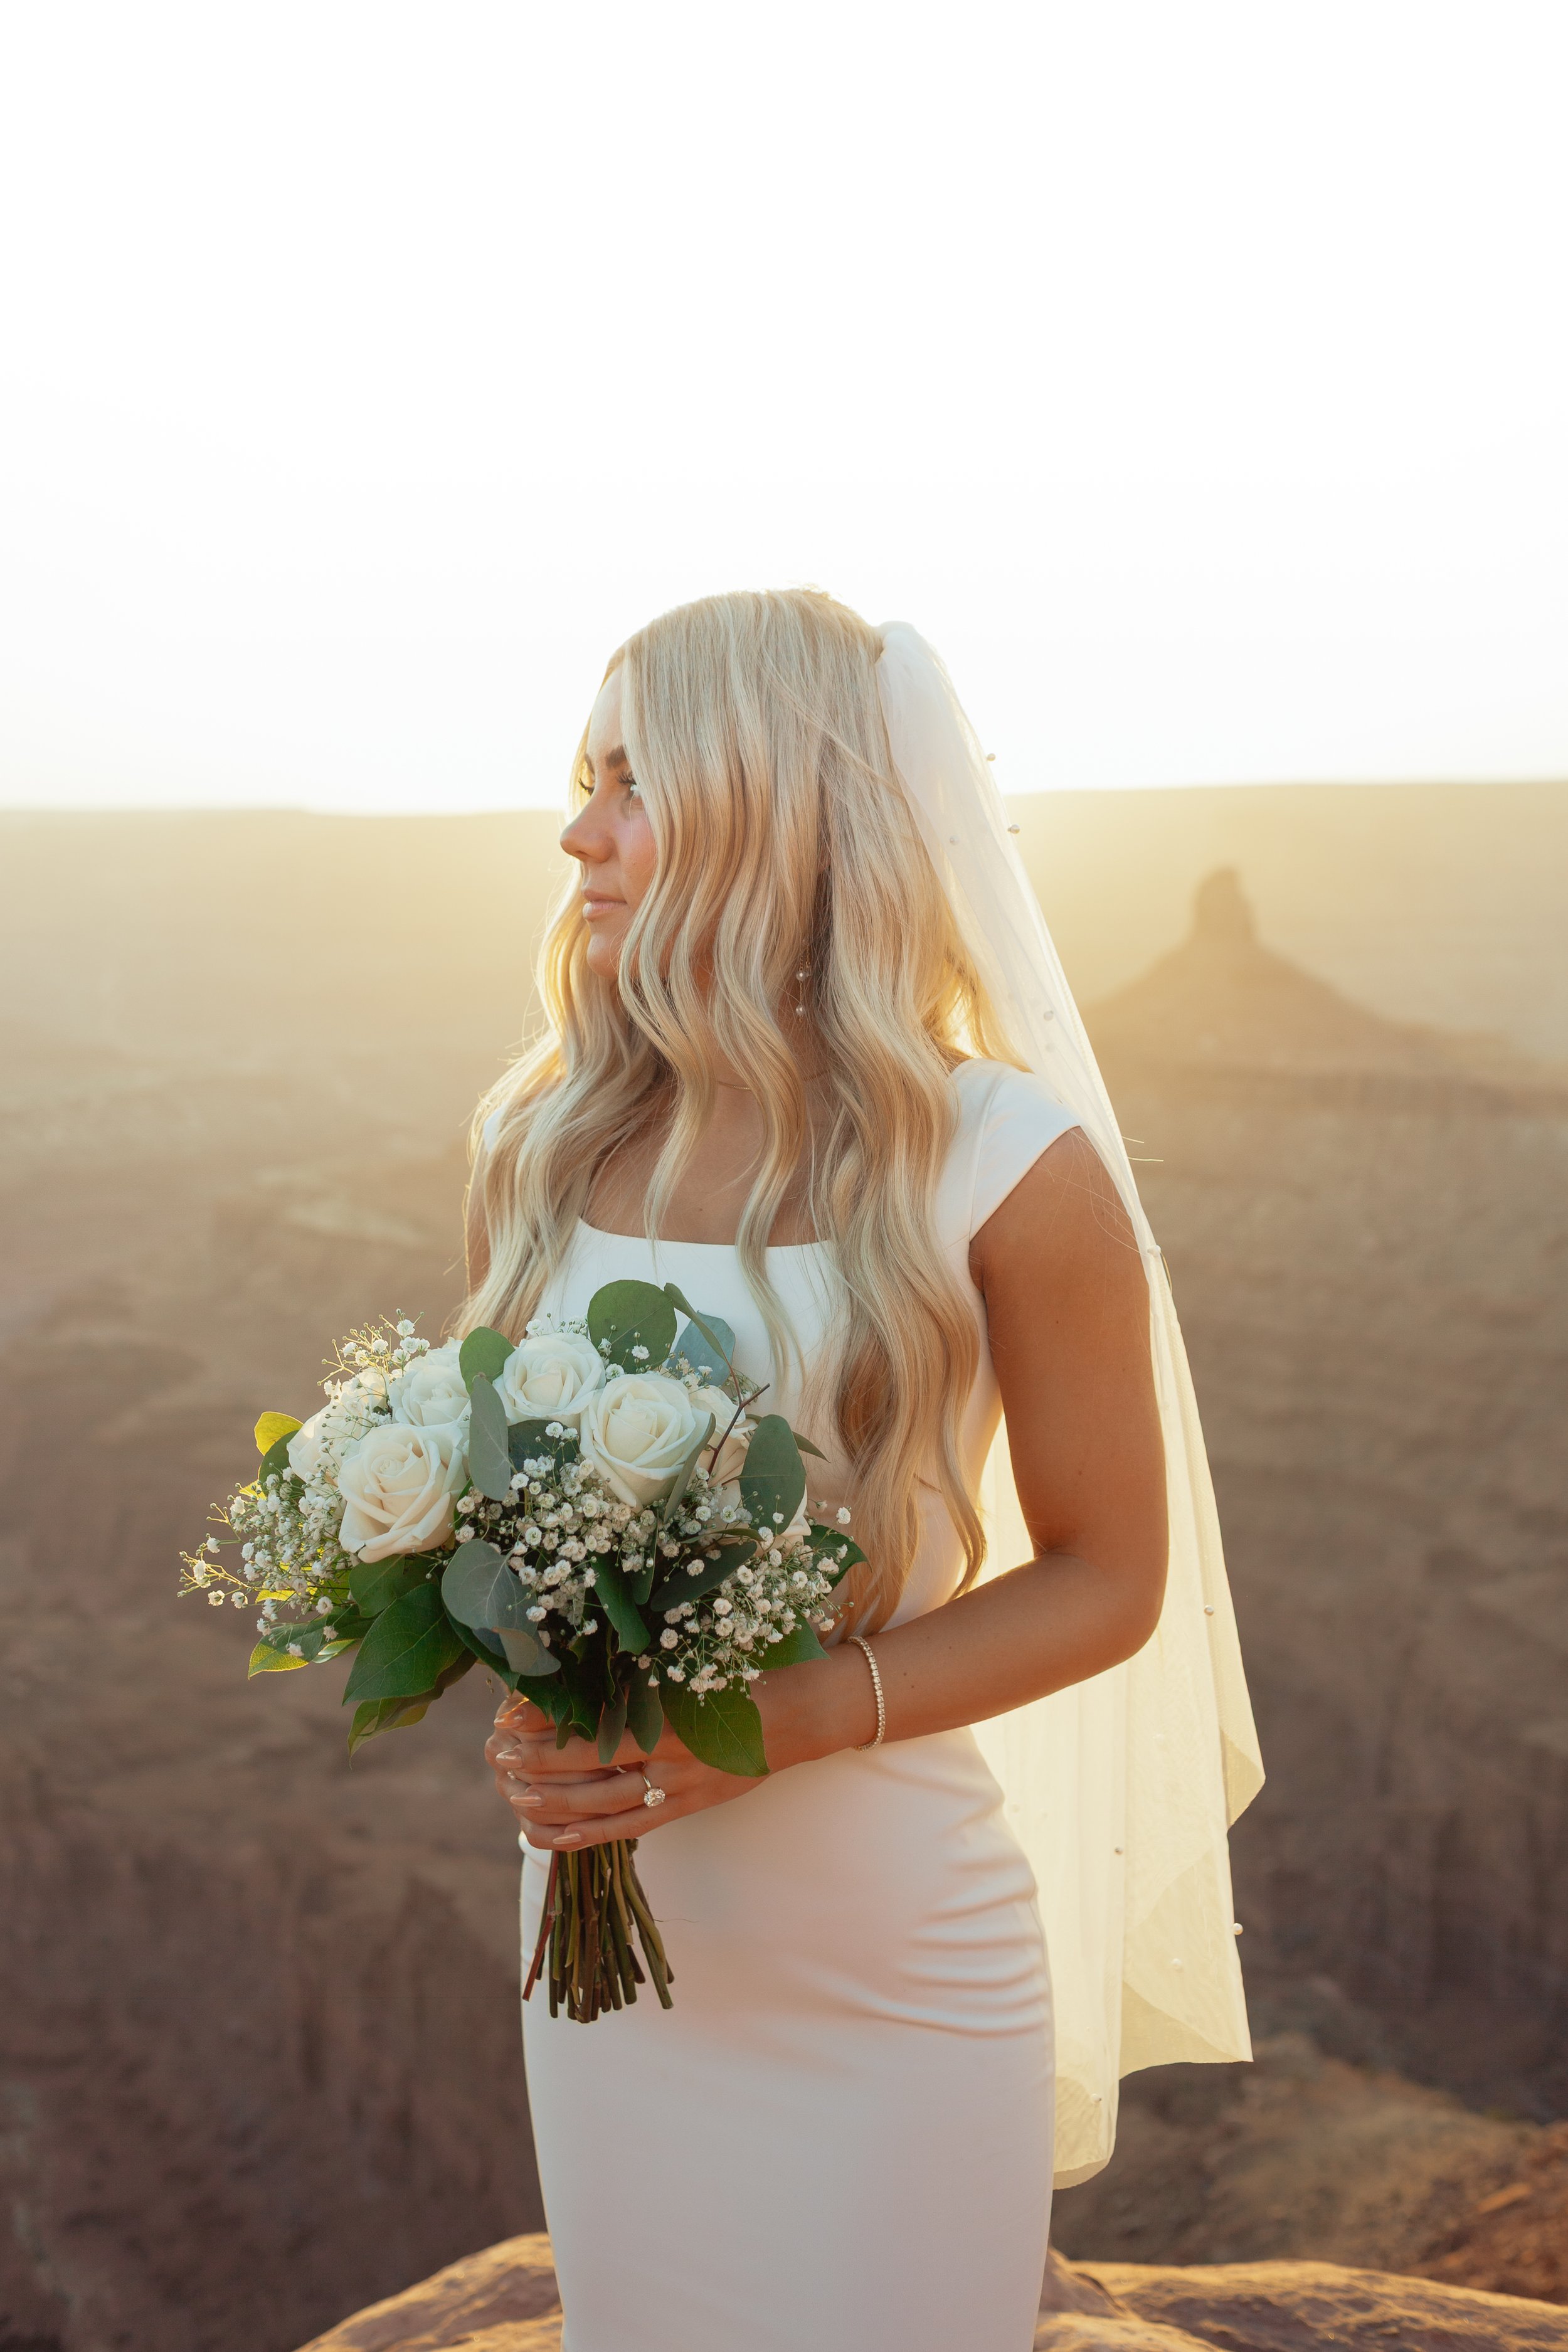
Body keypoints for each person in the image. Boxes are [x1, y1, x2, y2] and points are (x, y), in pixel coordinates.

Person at [465, 590, 1259, 2352]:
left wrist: (788, 1719)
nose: (578, 832)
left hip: (888, 1968)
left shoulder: (1003, 1164)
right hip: (607, 1964)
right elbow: (511, 1517)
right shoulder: (547, 1136)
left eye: (630, 781)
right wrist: (524, 1686)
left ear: (774, 804)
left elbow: (1107, 1581)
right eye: (581, 782)